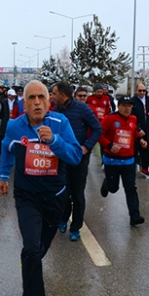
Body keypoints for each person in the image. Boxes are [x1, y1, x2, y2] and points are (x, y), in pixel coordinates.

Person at [0, 80, 82, 295]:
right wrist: (4, 175)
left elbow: (75, 156)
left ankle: (29, 262)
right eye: (31, 98)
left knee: (37, 249)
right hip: (27, 196)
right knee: (32, 248)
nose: (37, 102)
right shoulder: (15, 126)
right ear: (24, 103)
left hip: (55, 197)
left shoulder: (60, 123)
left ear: (49, 101)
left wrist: (54, 141)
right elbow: (7, 148)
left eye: (41, 97)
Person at [52, 82, 102, 241]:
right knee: (63, 191)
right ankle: (62, 218)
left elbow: (97, 129)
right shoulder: (54, 111)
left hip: (79, 158)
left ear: (63, 95)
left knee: (77, 193)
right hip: (60, 158)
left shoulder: (82, 109)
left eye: (54, 93)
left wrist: (86, 147)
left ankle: (76, 227)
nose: (52, 96)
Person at [98, 95, 148, 226]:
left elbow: (134, 133)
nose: (127, 108)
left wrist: (141, 140)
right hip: (112, 161)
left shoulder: (133, 119)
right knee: (113, 189)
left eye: (129, 106)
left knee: (131, 189)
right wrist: (109, 145)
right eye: (124, 105)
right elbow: (98, 133)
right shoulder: (109, 119)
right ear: (118, 106)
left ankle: (135, 216)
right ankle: (107, 183)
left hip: (128, 161)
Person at [131, 83, 149, 177]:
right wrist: (138, 129)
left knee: (148, 150)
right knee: (135, 150)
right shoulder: (132, 101)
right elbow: (131, 117)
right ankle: (133, 167)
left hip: (148, 128)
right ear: (136, 91)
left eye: (144, 90)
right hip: (136, 129)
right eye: (140, 90)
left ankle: (145, 168)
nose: (142, 92)